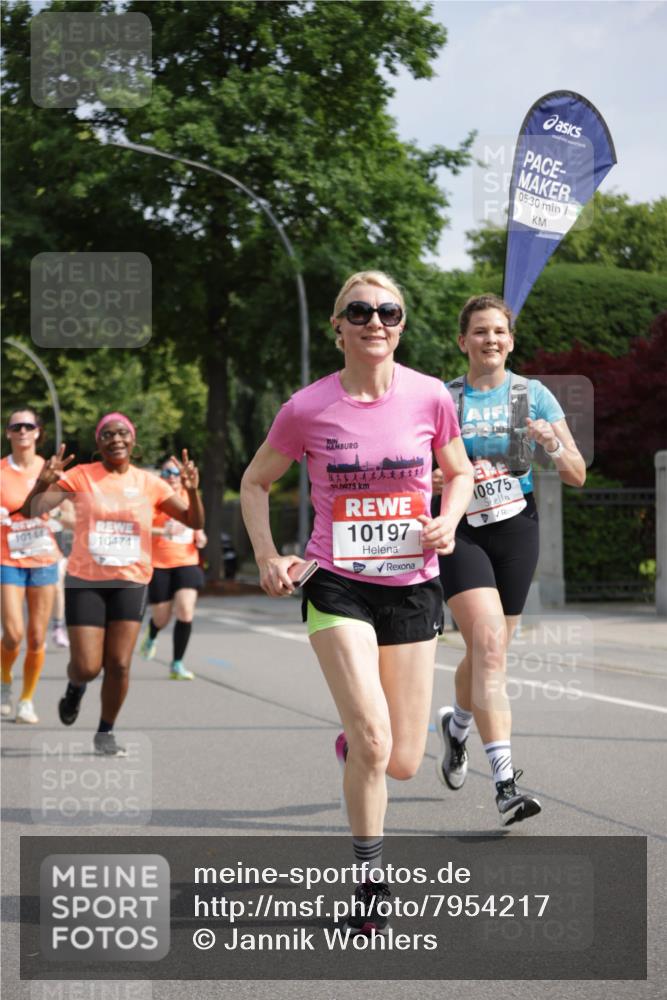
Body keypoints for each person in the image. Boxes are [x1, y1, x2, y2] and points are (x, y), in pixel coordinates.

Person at [241, 271, 473, 932]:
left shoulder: (430, 397)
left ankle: (359, 748)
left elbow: (455, 473)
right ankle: (369, 885)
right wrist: (265, 556)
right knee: (375, 740)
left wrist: (448, 519)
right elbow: (255, 483)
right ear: (337, 326)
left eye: (388, 311)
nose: (376, 321)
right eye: (360, 311)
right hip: (335, 582)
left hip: (412, 584)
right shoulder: (306, 407)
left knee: (400, 760)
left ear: (401, 323)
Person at [432, 294, 586, 825]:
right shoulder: (444, 399)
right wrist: (434, 479)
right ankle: (504, 785)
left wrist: (553, 445)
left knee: (487, 655)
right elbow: (412, 472)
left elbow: (577, 473)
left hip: (516, 528)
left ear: (511, 340)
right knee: (490, 646)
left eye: (499, 331)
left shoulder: (531, 394)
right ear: (463, 342)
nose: (490, 340)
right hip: (462, 530)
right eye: (479, 332)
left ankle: (456, 728)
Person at [17, 412, 205, 756]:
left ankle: (105, 731)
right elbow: (32, 510)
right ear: (98, 443)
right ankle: (76, 686)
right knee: (88, 666)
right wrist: (43, 482)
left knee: (119, 663)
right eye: (107, 434)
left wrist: (193, 492)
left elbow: (193, 520)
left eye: (122, 433)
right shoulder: (81, 476)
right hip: (85, 581)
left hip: (131, 582)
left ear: (133, 440)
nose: (116, 438)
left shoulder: (150, 483)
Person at [1, 408, 59, 724]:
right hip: (7, 558)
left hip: (43, 558)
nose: (22, 431)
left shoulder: (50, 469)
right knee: (13, 634)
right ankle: (5, 679)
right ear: (8, 433)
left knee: (37, 637)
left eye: (28, 426)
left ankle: (26, 700)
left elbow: (70, 506)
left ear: (38, 432)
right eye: (16, 426)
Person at [139, 458, 207, 679]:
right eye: (167, 472)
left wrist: (200, 535)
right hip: (159, 564)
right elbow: (140, 526)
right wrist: (164, 532)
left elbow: (198, 524)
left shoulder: (191, 496)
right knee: (161, 617)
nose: (172, 476)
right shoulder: (155, 500)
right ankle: (152, 633)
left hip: (187, 561)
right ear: (162, 476)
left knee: (186, 611)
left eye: (176, 472)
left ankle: (177, 664)